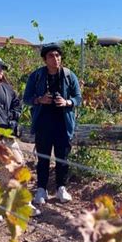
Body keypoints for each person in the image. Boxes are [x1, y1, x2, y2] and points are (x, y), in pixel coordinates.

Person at [23, 43, 82, 204]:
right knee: (43, 158)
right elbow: (26, 98)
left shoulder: (69, 75)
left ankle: (61, 188)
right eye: (51, 56)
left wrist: (67, 102)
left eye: (57, 55)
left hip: (63, 123)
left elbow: (78, 97)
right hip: (43, 123)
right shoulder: (36, 76)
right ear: (44, 59)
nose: (55, 59)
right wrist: (39, 99)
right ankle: (41, 189)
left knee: (62, 157)